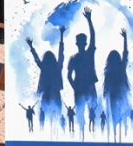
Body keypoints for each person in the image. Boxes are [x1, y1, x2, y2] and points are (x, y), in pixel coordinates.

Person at [27, 25, 66, 132]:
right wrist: (61, 35)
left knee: (42, 112)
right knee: (57, 114)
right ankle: (59, 131)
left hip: (45, 93)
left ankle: (41, 130)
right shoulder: (57, 67)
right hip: (55, 93)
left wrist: (31, 46)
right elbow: (61, 54)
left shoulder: (44, 68)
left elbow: (36, 59)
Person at [67, 7, 98, 136]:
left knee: (93, 110)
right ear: (77, 43)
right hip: (81, 87)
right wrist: (75, 87)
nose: (81, 43)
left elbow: (93, 36)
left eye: (82, 41)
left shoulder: (90, 52)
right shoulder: (73, 58)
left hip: (89, 86)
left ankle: (92, 134)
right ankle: (81, 134)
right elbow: (68, 75)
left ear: (84, 43)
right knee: (80, 112)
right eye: (79, 42)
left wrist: (89, 21)